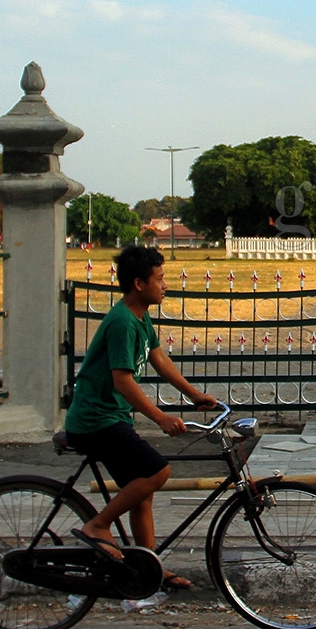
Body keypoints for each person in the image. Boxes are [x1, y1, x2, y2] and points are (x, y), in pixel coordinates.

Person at [64, 245, 218, 588]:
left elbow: (159, 359)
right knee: (158, 470)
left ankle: (149, 569)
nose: (166, 285)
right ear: (138, 283)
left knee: (141, 489)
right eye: (160, 279)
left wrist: (194, 395)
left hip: (112, 418)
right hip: (95, 421)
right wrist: (160, 417)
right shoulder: (121, 322)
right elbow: (122, 381)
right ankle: (97, 525)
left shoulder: (139, 316)